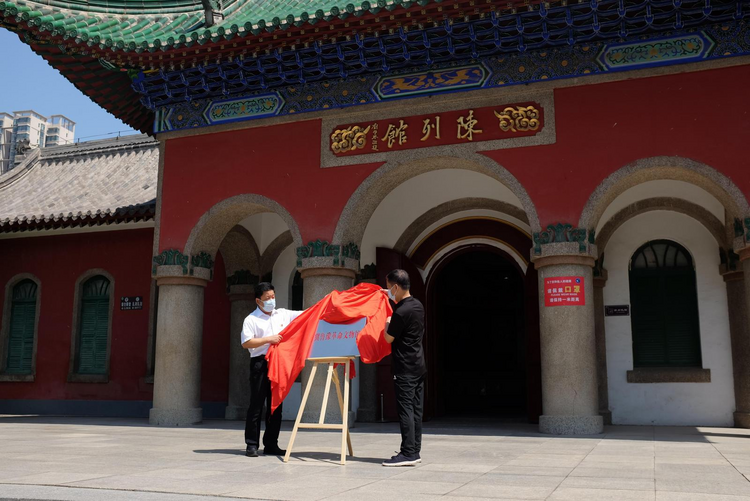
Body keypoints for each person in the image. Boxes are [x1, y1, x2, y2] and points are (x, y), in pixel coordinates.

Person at [241, 282, 304, 457]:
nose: (271, 301)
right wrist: (269, 339)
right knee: (256, 405)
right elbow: (246, 342)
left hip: (278, 363)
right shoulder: (251, 319)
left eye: (273, 297)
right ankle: (252, 444)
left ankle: (271, 444)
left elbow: (304, 315)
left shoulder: (282, 314)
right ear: (258, 300)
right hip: (260, 363)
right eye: (267, 298)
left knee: (276, 406)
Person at [381, 269, 426, 467]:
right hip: (418, 365)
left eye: (390, 287)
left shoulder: (400, 311)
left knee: (406, 409)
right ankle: (415, 450)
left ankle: (408, 453)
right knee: (416, 409)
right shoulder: (417, 305)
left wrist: (387, 322)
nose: (389, 292)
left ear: (396, 287)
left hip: (405, 368)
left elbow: (389, 337)